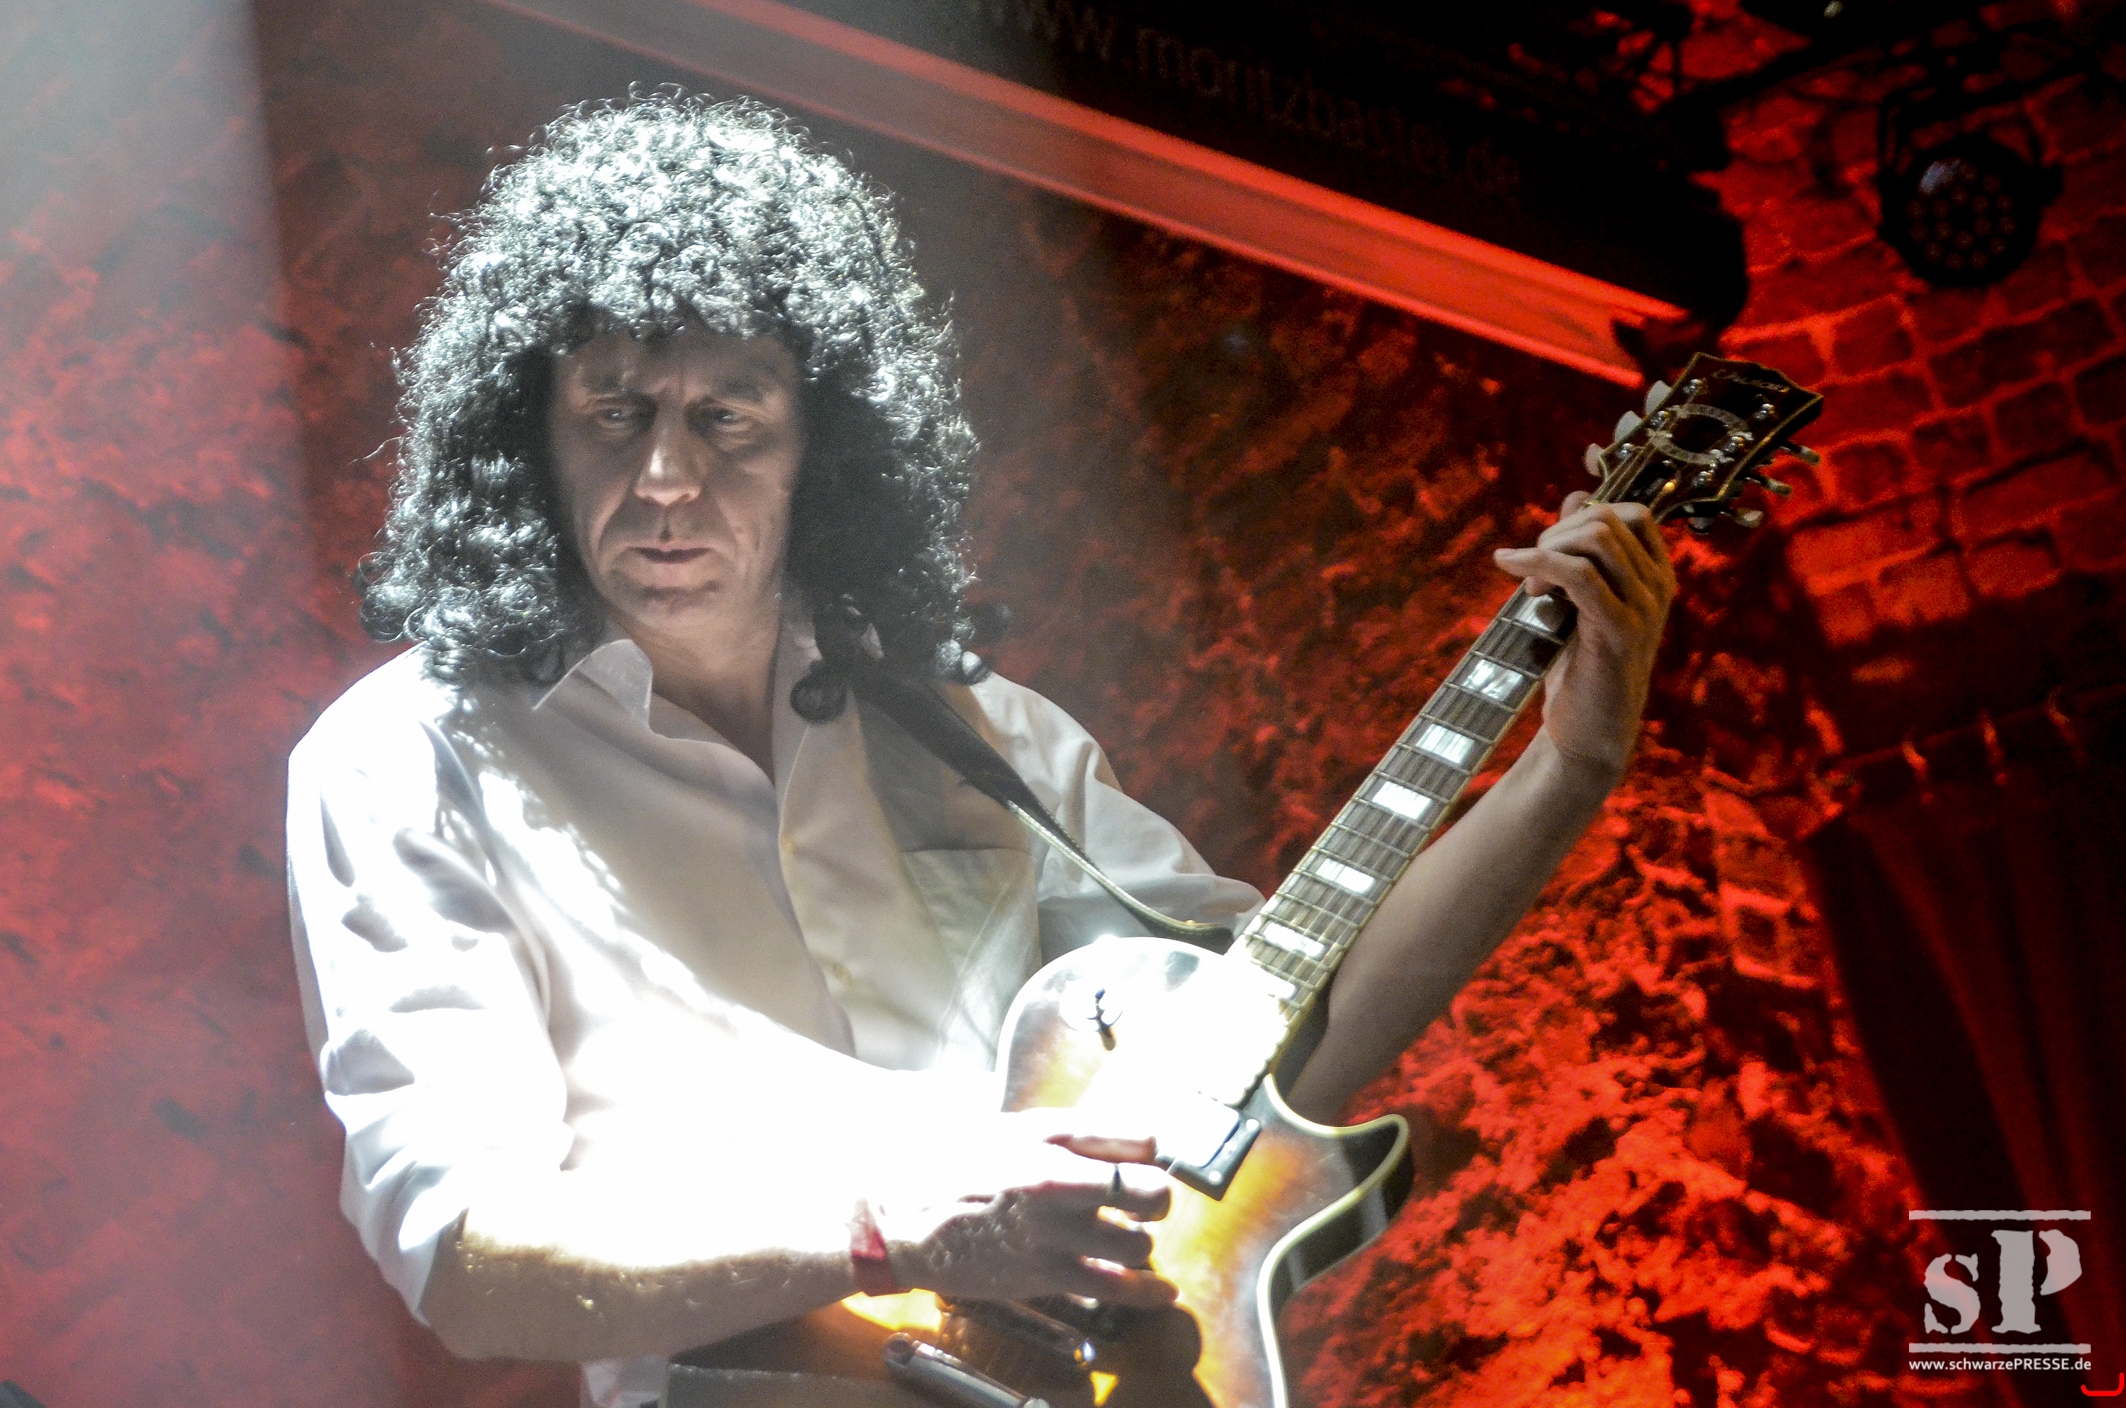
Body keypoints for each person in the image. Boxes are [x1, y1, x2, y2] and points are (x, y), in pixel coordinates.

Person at [285, 94, 1674, 1408]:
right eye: (613, 414)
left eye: (727, 417)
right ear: (525, 438)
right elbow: (465, 1257)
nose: (666, 479)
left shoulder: (982, 733)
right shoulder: (408, 761)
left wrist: (1564, 771)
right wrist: (891, 1228)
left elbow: (1284, 1042)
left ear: (821, 446)